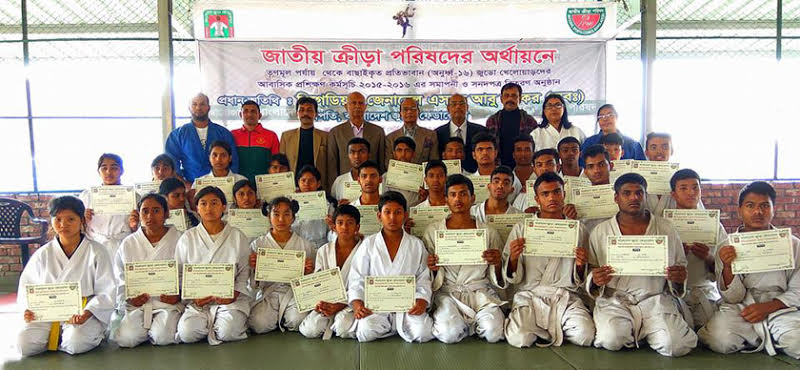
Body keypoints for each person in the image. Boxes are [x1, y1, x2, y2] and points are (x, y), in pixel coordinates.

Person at [587, 173, 696, 357]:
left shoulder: (665, 228)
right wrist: (596, 279)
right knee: (611, 340)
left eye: (639, 193)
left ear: (646, 196)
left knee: (675, 345)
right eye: (627, 193)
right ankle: (641, 332)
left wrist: (678, 277)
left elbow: (680, 264)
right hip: (616, 300)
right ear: (616, 198)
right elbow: (592, 267)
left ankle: (647, 331)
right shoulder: (601, 231)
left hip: (655, 300)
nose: (634, 198)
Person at [699, 182, 800, 359]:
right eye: (750, 206)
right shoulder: (727, 246)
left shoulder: (793, 244)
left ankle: (763, 336)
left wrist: (769, 306)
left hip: (780, 306)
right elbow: (732, 297)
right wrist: (728, 267)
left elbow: (797, 290)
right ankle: (769, 338)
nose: (758, 212)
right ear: (739, 210)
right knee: (719, 340)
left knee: (796, 341)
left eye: (764, 206)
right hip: (742, 306)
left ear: (773, 209)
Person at [503, 172, 595, 348]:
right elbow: (511, 274)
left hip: (565, 296)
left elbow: (583, 276)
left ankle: (547, 329)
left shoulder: (577, 229)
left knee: (585, 336)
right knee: (519, 339)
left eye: (556, 192)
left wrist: (580, 265)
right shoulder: (522, 228)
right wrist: (514, 258)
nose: (552, 197)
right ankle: (546, 328)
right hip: (530, 295)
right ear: (536, 199)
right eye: (545, 194)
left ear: (564, 194)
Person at [17, 196, 115, 357]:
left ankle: (82, 334)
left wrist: (88, 312)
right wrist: (27, 309)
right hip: (47, 313)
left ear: (82, 220)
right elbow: (27, 287)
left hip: (82, 313)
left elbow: (107, 290)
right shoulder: (43, 254)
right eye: (58, 219)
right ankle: (58, 335)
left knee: (75, 344)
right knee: (24, 344)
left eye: (71, 219)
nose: (63, 224)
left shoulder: (97, 251)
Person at [420, 175, 505, 343]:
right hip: (448, 293)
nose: (458, 199)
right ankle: (464, 325)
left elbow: (499, 274)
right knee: (448, 334)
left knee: (494, 332)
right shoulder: (433, 230)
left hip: (479, 292)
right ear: (446, 200)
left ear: (472, 198)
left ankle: (470, 325)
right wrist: (432, 268)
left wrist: (497, 262)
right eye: (452, 194)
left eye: (463, 194)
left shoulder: (488, 231)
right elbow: (425, 273)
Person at [346, 191, 434, 342]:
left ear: (405, 215)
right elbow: (357, 277)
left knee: (423, 332)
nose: (392, 218)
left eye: (398, 212)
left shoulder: (416, 245)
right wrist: (357, 303)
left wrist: (421, 300)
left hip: (407, 307)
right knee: (366, 330)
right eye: (387, 212)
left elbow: (423, 277)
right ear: (379, 216)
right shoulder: (369, 244)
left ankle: (394, 328)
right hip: (377, 307)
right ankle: (392, 328)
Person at [174, 186, 252, 345]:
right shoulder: (187, 238)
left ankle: (220, 325)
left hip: (230, 300)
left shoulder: (237, 236)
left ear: (224, 207)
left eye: (214, 203)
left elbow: (244, 272)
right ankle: (209, 324)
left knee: (228, 332)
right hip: (198, 302)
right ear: (197, 209)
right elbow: (180, 273)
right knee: (187, 333)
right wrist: (193, 297)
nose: (208, 208)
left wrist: (234, 294)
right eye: (203, 203)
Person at [112, 194, 183, 348]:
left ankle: (155, 328)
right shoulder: (129, 243)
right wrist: (129, 297)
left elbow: (189, 272)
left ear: (166, 213)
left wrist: (179, 294)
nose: (150, 216)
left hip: (168, 304)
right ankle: (144, 328)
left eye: (156, 210)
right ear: (139, 215)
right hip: (138, 304)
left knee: (162, 337)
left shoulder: (180, 239)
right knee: (127, 340)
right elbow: (119, 276)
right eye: (145, 211)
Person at [668, 169, 727, 329]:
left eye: (695, 188)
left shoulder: (714, 225)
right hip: (670, 291)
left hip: (703, 289)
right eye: (684, 188)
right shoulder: (663, 224)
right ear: (673, 194)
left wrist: (708, 257)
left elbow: (726, 266)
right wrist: (678, 255)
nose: (691, 193)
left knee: (714, 332)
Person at [248, 197, 316, 334]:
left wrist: (309, 271)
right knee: (258, 324)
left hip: (294, 293)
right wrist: (254, 268)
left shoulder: (305, 245)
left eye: (286, 214)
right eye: (276, 214)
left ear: (293, 218)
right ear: (269, 217)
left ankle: (282, 318)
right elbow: (253, 284)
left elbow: (311, 280)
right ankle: (275, 318)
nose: (281, 219)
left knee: (297, 320)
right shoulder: (258, 244)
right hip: (268, 292)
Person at [299, 205, 363, 339]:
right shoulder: (324, 250)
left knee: (343, 327)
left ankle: (338, 322)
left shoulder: (365, 251)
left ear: (357, 227)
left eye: (350, 223)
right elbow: (318, 281)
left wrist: (341, 304)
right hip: (328, 301)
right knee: (310, 330)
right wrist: (321, 303)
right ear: (333, 226)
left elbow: (365, 285)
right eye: (340, 223)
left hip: (351, 303)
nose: (345, 227)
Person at [165, 93, 239, 183]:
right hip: (190, 186)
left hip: (221, 184)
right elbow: (171, 164)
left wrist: (227, 183)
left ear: (209, 107)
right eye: (194, 104)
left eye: (202, 104)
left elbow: (233, 162)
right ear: (189, 108)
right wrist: (185, 185)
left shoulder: (223, 133)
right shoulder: (177, 135)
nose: (198, 108)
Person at [79, 153, 137, 256]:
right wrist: (83, 220)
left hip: (123, 245)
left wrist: (134, 226)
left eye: (114, 168)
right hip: (95, 245)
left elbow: (140, 229)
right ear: (98, 171)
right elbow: (78, 228)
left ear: (122, 170)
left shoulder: (134, 196)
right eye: (104, 168)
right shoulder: (87, 196)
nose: (109, 172)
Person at [327, 92, 387, 186]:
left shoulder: (378, 132)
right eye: (353, 103)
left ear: (365, 107)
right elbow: (332, 165)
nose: (357, 106)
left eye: (360, 103)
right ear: (346, 106)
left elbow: (381, 163)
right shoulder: (335, 132)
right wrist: (334, 189)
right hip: (345, 185)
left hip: (371, 185)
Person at [485, 82, 538, 168]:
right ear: (501, 99)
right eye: (506, 96)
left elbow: (535, 146)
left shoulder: (530, 121)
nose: (510, 99)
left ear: (520, 99)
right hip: (499, 166)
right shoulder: (492, 121)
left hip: (523, 166)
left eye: (514, 96)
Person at [279, 96, 328, 188]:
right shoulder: (286, 136)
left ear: (316, 114)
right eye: (301, 110)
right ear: (297, 113)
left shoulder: (326, 136)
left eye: (309, 110)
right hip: (293, 186)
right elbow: (282, 165)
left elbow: (330, 164)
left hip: (318, 186)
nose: (305, 113)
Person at [231, 100, 280, 184]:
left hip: (264, 184)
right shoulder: (232, 135)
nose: (249, 114)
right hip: (238, 184)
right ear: (240, 115)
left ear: (259, 115)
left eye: (253, 111)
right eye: (245, 111)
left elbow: (276, 163)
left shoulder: (271, 135)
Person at [434, 94, 486, 173]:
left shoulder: (481, 131)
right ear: (448, 109)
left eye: (461, 104)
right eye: (454, 104)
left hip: (475, 177)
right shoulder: (438, 133)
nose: (458, 107)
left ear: (467, 107)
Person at [580, 104, 645, 166]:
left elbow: (642, 168)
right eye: (601, 117)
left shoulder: (632, 144)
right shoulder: (589, 143)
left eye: (609, 115)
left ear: (616, 117)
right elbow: (582, 165)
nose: (605, 119)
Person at [385, 98, 439, 168]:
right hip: (398, 177)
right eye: (405, 109)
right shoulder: (390, 138)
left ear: (418, 112)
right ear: (400, 114)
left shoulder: (431, 135)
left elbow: (434, 162)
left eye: (413, 109)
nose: (409, 112)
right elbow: (388, 164)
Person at [470, 132, 523, 203]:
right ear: (474, 155)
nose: (485, 153)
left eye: (489, 149)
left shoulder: (511, 178)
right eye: (480, 149)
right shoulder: (469, 182)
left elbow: (520, 204)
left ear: (495, 153)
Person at [293, 165, 336, 249]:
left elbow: (331, 232)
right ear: (298, 182)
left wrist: (331, 225)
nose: (306, 184)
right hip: (298, 247)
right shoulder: (292, 204)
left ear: (318, 183)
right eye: (303, 180)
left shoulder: (327, 205)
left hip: (321, 247)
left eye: (311, 180)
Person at [383, 137, 424, 207]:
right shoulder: (386, 177)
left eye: (407, 150)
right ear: (394, 153)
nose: (403, 154)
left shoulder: (422, 176)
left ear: (413, 153)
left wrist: (424, 197)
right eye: (399, 150)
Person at [331, 137, 370, 202]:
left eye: (362, 152)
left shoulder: (379, 180)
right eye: (352, 152)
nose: (356, 156)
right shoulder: (339, 181)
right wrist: (339, 207)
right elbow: (333, 206)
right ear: (348, 155)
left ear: (369, 154)